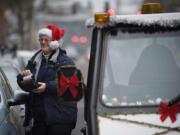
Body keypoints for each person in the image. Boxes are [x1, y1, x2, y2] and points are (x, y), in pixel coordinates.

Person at [18, 24, 77, 135]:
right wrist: (25, 78)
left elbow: (68, 85)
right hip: (39, 119)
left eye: (46, 39)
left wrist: (47, 87)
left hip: (60, 119)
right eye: (41, 39)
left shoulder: (65, 61)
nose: (43, 42)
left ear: (54, 42)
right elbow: (23, 83)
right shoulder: (35, 59)